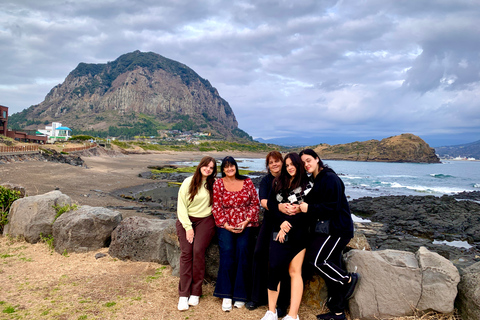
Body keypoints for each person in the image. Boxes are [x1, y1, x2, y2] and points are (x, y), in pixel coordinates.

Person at [299, 149, 358, 320]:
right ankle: (338, 312)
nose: (306, 165)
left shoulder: (330, 178)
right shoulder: (317, 179)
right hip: (329, 229)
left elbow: (332, 208)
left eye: (309, 160)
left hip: (338, 229)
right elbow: (314, 201)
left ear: (317, 159)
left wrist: (308, 208)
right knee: (332, 264)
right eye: (303, 163)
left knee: (317, 260)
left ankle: (348, 279)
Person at [261, 153, 313, 320]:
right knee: (274, 268)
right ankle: (271, 311)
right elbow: (271, 205)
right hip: (279, 231)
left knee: (294, 271)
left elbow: (307, 213)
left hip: (299, 233)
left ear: (299, 166)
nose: (290, 167)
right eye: (288, 164)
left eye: (294, 164)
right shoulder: (277, 182)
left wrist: (287, 226)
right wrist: (281, 222)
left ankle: (293, 315)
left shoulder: (309, 185)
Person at [212, 156, 260, 312]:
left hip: (246, 224)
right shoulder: (218, 183)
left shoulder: (247, 182)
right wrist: (226, 225)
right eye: (226, 167)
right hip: (225, 225)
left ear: (236, 167)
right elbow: (216, 206)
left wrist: (246, 222)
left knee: (243, 249)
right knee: (227, 250)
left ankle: (240, 294)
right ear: (223, 169)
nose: (229, 169)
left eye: (231, 165)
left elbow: (255, 203)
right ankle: (226, 293)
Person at [247, 151, 290, 317]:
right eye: (271, 162)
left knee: (281, 261)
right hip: (270, 221)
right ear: (268, 165)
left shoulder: (288, 178)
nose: (274, 164)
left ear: (282, 162)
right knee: (259, 254)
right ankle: (257, 297)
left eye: (277, 161)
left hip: (286, 223)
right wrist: (277, 207)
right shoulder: (265, 181)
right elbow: (263, 201)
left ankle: (281, 303)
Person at [176, 156, 218, 311]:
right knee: (186, 252)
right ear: (200, 166)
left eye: (211, 167)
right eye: (206, 166)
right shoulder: (188, 181)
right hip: (186, 219)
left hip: (205, 220)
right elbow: (181, 207)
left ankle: (196, 291)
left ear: (214, 171)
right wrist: (188, 227)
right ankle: (183, 294)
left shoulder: (213, 184)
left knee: (198, 250)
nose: (208, 169)